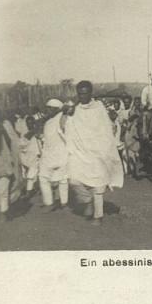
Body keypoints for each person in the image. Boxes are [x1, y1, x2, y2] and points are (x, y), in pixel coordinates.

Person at [65, 80, 124, 225]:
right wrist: (67, 111)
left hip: (98, 152)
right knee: (73, 179)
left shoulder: (99, 108)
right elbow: (67, 126)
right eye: (79, 94)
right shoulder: (75, 109)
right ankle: (87, 200)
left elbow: (105, 129)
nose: (82, 96)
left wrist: (102, 150)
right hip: (80, 152)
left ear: (90, 93)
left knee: (98, 184)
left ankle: (98, 216)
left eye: (85, 93)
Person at [0, 105, 22, 222]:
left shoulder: (5, 125)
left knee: (3, 190)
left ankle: (3, 213)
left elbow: (13, 142)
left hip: (4, 162)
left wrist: (3, 132)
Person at [38, 98, 69, 211]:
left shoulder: (61, 118)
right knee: (43, 178)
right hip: (49, 155)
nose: (48, 111)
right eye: (47, 108)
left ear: (57, 110)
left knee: (63, 180)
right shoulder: (48, 121)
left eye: (50, 109)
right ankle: (49, 203)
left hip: (61, 154)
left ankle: (64, 203)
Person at [18, 116, 41, 194]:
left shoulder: (37, 133)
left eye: (31, 123)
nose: (30, 125)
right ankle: (29, 190)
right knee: (30, 174)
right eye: (28, 123)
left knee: (34, 173)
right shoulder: (26, 134)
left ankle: (30, 190)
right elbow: (21, 145)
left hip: (37, 156)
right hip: (28, 157)